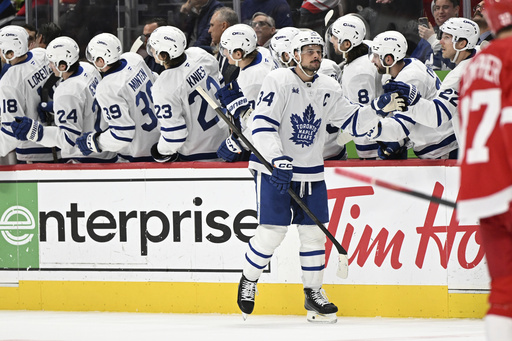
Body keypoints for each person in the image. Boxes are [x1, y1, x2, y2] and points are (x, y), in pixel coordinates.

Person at [236, 30, 407, 322]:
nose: (316, 54)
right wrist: (277, 159)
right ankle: (249, 280)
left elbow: (350, 120)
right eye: (308, 50)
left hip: (311, 169)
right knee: (272, 233)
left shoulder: (329, 85)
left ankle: (313, 294)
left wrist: (377, 109)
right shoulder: (278, 81)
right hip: (273, 168)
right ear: (293, 55)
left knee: (314, 234)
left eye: (318, 49)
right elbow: (262, 125)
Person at [457, 1, 512, 339]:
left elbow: (464, 127)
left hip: (483, 190)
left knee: (504, 289)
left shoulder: (476, 65)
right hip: (509, 179)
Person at [9, 36, 117, 163]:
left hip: (86, 158)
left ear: (63, 65)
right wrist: (59, 108)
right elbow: (84, 101)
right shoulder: (89, 68)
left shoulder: (66, 93)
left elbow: (68, 139)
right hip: (105, 150)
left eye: (52, 62)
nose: (50, 66)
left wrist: (35, 132)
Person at [382, 17, 479, 142]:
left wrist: (412, 100)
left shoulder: (458, 77)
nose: (441, 42)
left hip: (479, 150)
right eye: (442, 36)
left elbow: (437, 116)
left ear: (462, 44)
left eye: (447, 38)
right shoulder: (481, 55)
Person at [368, 30, 458, 159]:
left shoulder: (410, 79)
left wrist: (370, 128)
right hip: (438, 147)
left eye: (376, 56)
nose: (372, 60)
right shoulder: (411, 64)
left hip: (443, 149)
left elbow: (401, 128)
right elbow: (414, 117)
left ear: (388, 58)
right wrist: (402, 141)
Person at [146, 26, 228, 162]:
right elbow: (221, 83)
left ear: (163, 55)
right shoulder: (199, 55)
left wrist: (160, 151)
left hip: (198, 154)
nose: (152, 51)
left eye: (154, 48)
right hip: (224, 140)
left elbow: (175, 136)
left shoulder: (163, 86)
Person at [76, 33, 160, 162]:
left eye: (94, 57)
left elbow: (123, 135)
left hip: (138, 156)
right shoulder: (134, 59)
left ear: (101, 60)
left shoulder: (107, 88)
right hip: (162, 141)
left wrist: (94, 142)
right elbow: (156, 82)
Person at [269, 26, 345, 160]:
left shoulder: (284, 80)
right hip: (334, 150)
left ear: (288, 54)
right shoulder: (328, 67)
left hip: (308, 154)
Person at [214, 23, 276, 162]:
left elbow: (258, 122)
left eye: (226, 49)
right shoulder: (262, 53)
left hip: (263, 151)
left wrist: (237, 144)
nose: (223, 53)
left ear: (238, 53)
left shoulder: (252, 82)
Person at [329, 14, 386, 159]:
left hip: (374, 147)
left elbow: (365, 114)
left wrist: (352, 136)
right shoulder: (368, 47)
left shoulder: (359, 73)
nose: (331, 40)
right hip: (383, 138)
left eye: (335, 37)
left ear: (347, 44)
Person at [0, 25, 55, 163]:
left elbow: (12, 130)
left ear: (10, 51)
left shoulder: (9, 81)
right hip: (56, 137)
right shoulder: (41, 54)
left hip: (33, 151)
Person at [415, 0, 459, 70]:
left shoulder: (462, 33)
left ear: (456, 9)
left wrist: (432, 39)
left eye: (445, 7)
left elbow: (452, 65)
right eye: (437, 8)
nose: (441, 12)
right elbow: (415, 63)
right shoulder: (428, 34)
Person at [207, 6, 239, 85]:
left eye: (212, 25)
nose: (209, 30)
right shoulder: (221, 47)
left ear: (223, 26)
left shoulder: (238, 53)